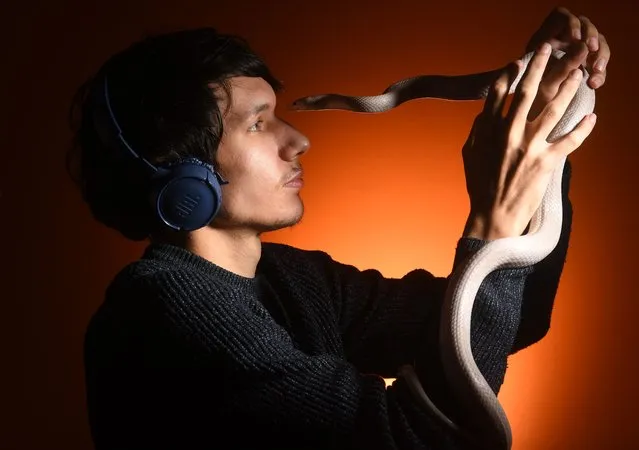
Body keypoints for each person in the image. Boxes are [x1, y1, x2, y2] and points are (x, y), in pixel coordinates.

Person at [66, 6, 609, 450]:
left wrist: (545, 120)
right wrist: (494, 224)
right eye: (257, 123)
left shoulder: (293, 278)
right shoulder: (166, 310)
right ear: (185, 175)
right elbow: (421, 441)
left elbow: (512, 319)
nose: (298, 139)